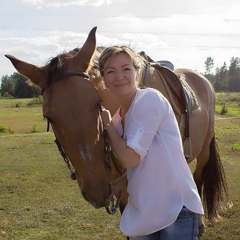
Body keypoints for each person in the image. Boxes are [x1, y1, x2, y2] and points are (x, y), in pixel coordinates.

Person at [99, 46, 204, 240]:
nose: (119, 76)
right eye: (110, 71)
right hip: (144, 214)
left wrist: (107, 126)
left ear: (136, 72)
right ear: (103, 79)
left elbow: (130, 159)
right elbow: (136, 170)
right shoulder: (117, 119)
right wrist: (113, 187)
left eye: (125, 69)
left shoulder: (149, 99)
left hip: (174, 209)